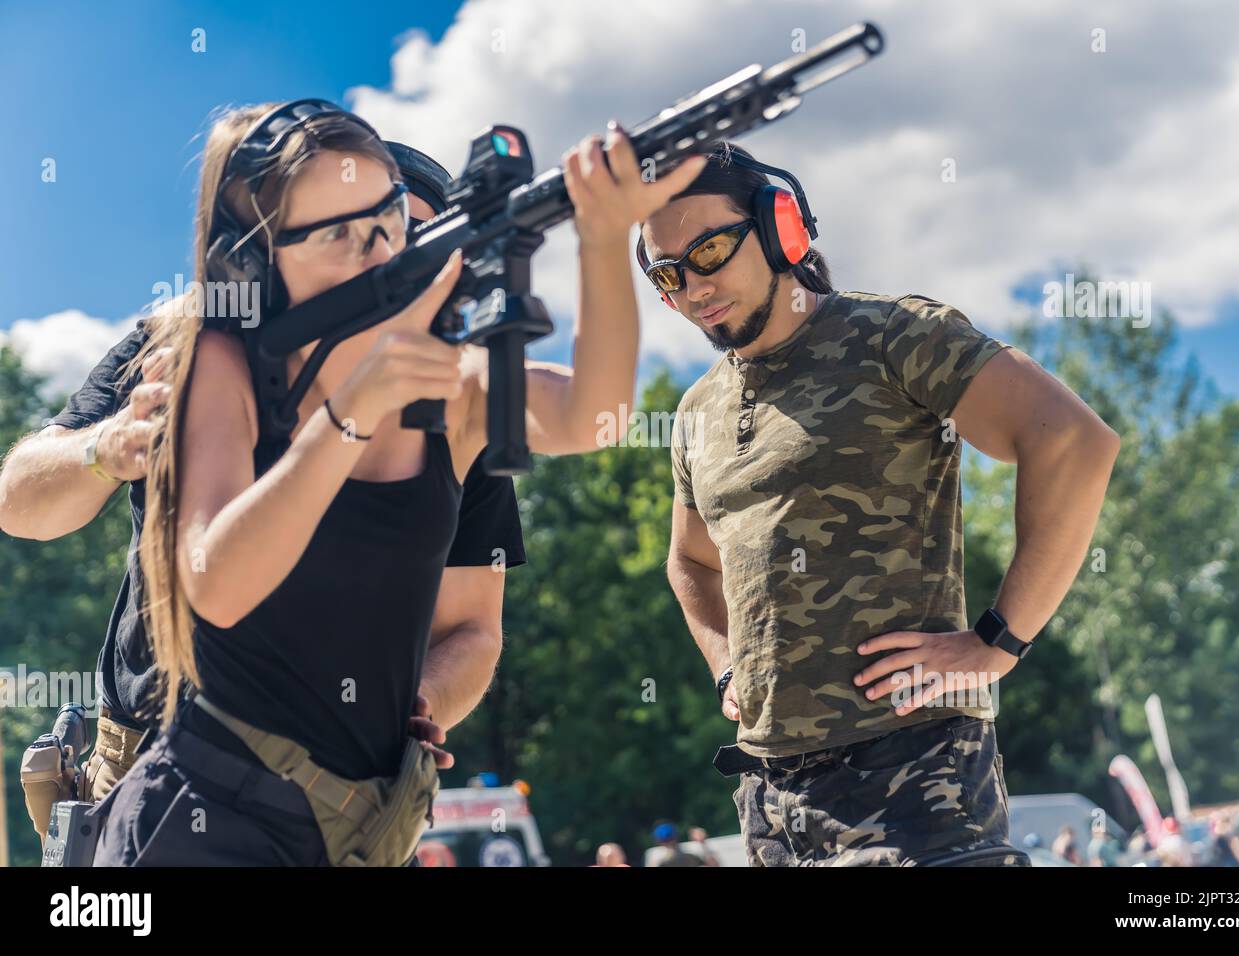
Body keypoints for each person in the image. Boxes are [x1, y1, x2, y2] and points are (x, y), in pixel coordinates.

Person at [88, 99, 704, 866]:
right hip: (212, 817)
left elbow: (599, 419)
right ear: (254, 260)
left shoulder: (451, 379)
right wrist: (350, 412)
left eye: (386, 224)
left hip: (366, 826)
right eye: (338, 237)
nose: (378, 255)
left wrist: (604, 240)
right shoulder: (221, 362)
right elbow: (216, 581)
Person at [0, 140, 518, 841]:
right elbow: (18, 504)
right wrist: (109, 444)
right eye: (360, 230)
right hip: (150, 763)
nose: (385, 262)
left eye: (415, 243)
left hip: (339, 796)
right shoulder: (190, 336)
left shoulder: (460, 407)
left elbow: (472, 630)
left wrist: (420, 697)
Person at [646, 142, 1120, 867]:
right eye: (669, 275)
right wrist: (723, 663)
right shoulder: (695, 410)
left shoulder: (893, 334)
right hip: (771, 799)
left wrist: (998, 641)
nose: (694, 286)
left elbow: (1074, 443)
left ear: (781, 229)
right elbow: (688, 560)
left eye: (709, 250)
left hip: (914, 774)